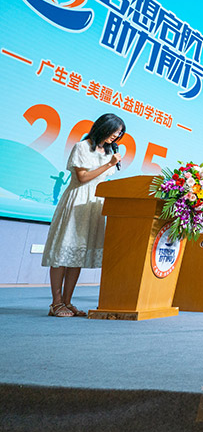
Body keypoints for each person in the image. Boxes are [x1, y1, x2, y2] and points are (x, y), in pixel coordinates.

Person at [42, 113, 126, 317]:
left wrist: (110, 163)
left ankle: (67, 302)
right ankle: (56, 303)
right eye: (114, 132)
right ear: (103, 127)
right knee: (63, 250)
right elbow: (82, 177)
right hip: (77, 200)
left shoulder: (108, 152)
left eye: (119, 134)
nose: (116, 136)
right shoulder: (82, 147)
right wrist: (109, 164)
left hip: (93, 204)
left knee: (77, 254)